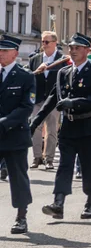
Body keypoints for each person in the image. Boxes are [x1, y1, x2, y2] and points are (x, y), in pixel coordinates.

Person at [31, 33, 91, 220]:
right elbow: (51, 99)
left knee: (89, 166)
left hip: (89, 126)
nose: (73, 51)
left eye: (77, 48)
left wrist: (74, 102)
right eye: (71, 48)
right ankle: (58, 203)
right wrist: (35, 122)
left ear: (87, 50)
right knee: (64, 166)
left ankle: (90, 202)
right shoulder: (63, 73)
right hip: (69, 127)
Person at [0, 35, 37, 235]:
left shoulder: (25, 76)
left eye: (5, 51)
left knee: (18, 178)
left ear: (15, 53)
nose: (1, 54)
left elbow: (26, 107)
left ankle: (21, 217)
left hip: (15, 136)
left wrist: (4, 123)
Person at [29, 31, 64, 170]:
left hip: (53, 100)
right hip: (38, 99)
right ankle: (37, 157)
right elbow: (29, 78)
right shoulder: (35, 59)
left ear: (55, 43)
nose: (44, 44)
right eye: (42, 41)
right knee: (35, 126)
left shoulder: (62, 59)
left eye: (46, 42)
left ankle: (49, 158)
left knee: (52, 129)